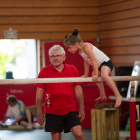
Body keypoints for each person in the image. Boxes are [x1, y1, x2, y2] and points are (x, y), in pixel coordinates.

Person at [35, 45, 86, 140]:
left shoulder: (72, 69)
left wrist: (82, 108)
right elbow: (39, 93)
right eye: (52, 56)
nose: (55, 58)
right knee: (56, 137)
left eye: (58, 55)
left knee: (79, 135)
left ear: (64, 57)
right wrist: (39, 112)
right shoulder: (44, 71)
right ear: (49, 58)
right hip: (52, 111)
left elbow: (78, 90)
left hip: (70, 110)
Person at [64, 28, 122, 108]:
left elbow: (94, 60)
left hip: (106, 62)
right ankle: (102, 94)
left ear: (76, 45)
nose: (68, 50)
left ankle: (118, 95)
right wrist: (85, 75)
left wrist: (95, 73)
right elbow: (87, 62)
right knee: (94, 75)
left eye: (69, 47)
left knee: (104, 76)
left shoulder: (86, 46)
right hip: (100, 65)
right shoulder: (80, 51)